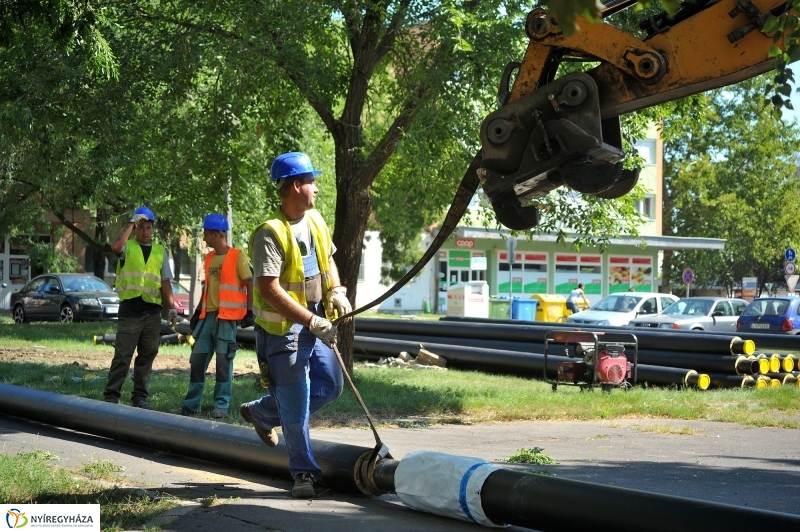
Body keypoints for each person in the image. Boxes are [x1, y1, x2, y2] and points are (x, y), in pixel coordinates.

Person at [240, 151, 351, 499]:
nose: (316, 188)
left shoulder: (315, 220)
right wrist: (311, 320)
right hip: (283, 331)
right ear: (295, 185)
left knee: (330, 385)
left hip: (315, 319)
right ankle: (303, 474)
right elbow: (268, 289)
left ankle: (262, 413)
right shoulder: (269, 233)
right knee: (296, 399)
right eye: (311, 181)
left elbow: (328, 260)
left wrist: (336, 290)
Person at [172, 214, 255, 418]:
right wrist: (198, 311)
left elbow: (250, 283)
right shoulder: (209, 258)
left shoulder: (237, 257)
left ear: (216, 234)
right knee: (198, 360)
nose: (204, 237)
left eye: (206, 233)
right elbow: (208, 288)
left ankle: (221, 405)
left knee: (223, 362)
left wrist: (250, 311)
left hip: (227, 319)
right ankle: (191, 405)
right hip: (207, 317)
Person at [104, 205, 175, 409]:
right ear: (135, 228)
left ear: (153, 229)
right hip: (130, 310)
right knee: (123, 354)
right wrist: (131, 223)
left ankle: (140, 397)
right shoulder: (128, 247)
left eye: (148, 227)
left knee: (148, 354)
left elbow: (165, 281)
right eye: (141, 227)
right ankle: (111, 395)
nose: (145, 231)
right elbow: (116, 246)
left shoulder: (160, 251)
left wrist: (171, 307)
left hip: (152, 311)